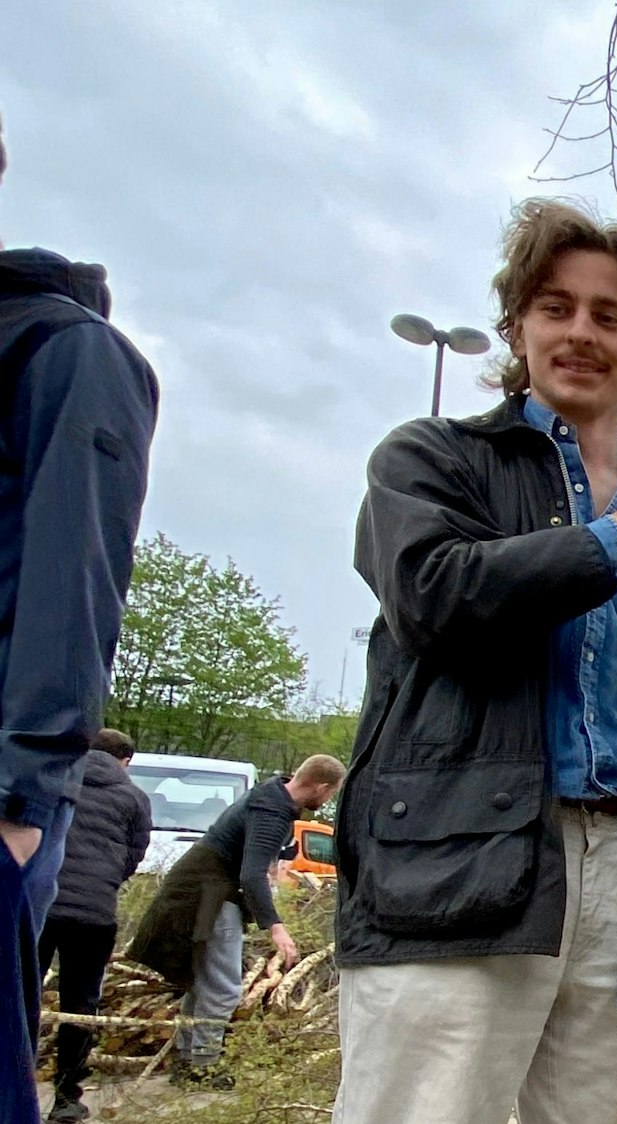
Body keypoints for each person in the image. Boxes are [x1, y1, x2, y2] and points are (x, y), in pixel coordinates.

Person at [331, 198, 617, 1124]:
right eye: (555, 307)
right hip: (456, 869)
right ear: (517, 328)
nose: (580, 332)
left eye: (610, 316)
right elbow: (436, 599)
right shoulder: (434, 458)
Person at [0, 112, 161, 1123]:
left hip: (12, 805)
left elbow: (75, 578)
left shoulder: (64, 352)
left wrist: (23, 796)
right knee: (81, 994)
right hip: (87, 893)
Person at [126, 755, 346, 1086]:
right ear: (322, 786)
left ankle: (189, 1060)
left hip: (202, 889)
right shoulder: (272, 812)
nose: (327, 800)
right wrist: (276, 927)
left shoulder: (272, 794)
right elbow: (251, 873)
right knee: (225, 988)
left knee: (205, 983)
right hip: (209, 895)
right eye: (330, 795)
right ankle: (203, 1066)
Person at [35, 729, 151, 1122]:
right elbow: (135, 855)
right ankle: (67, 1097)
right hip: (95, 914)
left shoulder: (57, 780)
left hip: (42, 904)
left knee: (20, 994)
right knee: (81, 1003)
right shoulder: (135, 798)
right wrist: (105, 884)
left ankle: (12, 1084)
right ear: (126, 761)